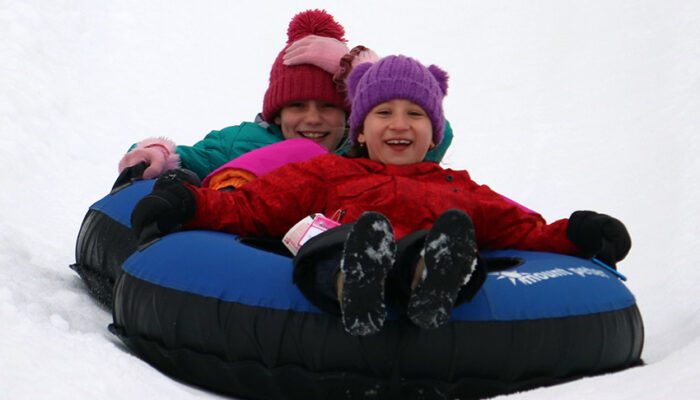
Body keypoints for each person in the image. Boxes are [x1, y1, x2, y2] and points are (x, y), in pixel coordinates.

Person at [129, 55, 632, 337]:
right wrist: (189, 202)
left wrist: (578, 233)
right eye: (383, 113)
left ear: (434, 135)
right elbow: (253, 208)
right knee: (340, 241)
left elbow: (524, 232)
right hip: (341, 251)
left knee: (440, 241)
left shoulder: (460, 187)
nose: (399, 124)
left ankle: (430, 275)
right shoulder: (325, 172)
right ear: (361, 132)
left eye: (415, 115)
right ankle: (355, 279)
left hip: (424, 250)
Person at [113, 9, 454, 190]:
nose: (312, 118)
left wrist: (362, 71)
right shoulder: (241, 143)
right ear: (276, 113)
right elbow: (186, 159)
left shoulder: (363, 148)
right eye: (297, 106)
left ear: (351, 116)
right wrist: (154, 154)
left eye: (327, 106)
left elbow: (434, 135)